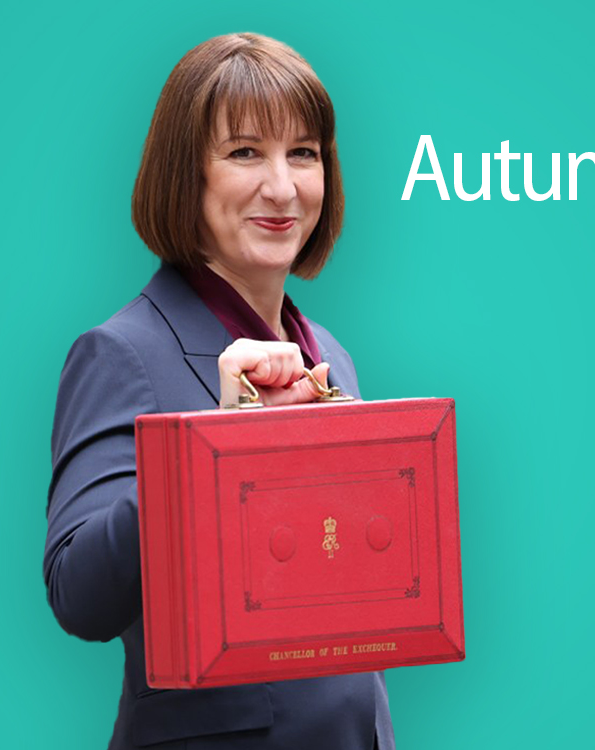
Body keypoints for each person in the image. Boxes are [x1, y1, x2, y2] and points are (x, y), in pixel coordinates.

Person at [44, 33, 393, 749]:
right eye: (244, 153)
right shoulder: (123, 353)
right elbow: (78, 596)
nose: (282, 186)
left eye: (304, 152)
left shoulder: (335, 358)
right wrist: (215, 444)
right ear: (185, 176)